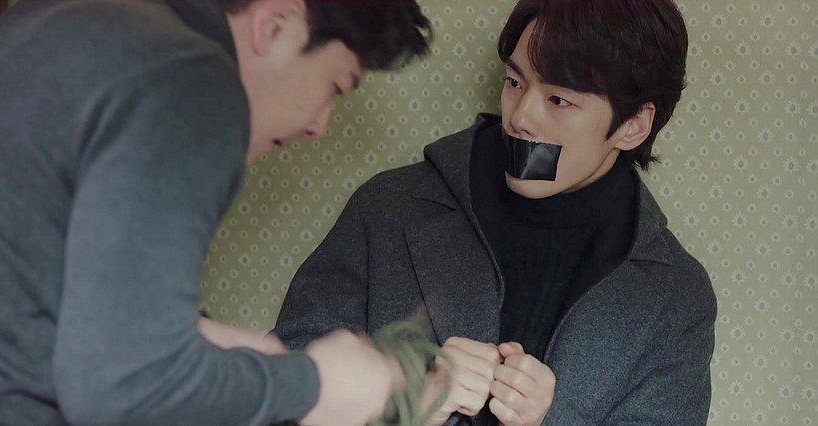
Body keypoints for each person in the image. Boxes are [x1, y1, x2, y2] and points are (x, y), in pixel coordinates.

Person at [0, 0, 430, 424]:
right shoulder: (194, 83)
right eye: (335, 86)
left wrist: (204, 340)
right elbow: (123, 385)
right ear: (276, 24)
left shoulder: (73, 20)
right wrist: (315, 387)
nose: (318, 126)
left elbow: (50, 288)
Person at [274, 0, 717, 424]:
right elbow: (276, 400)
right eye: (515, 82)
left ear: (633, 126)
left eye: (559, 100)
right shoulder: (387, 209)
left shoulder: (677, 300)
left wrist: (547, 422)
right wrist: (409, 410)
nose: (521, 117)